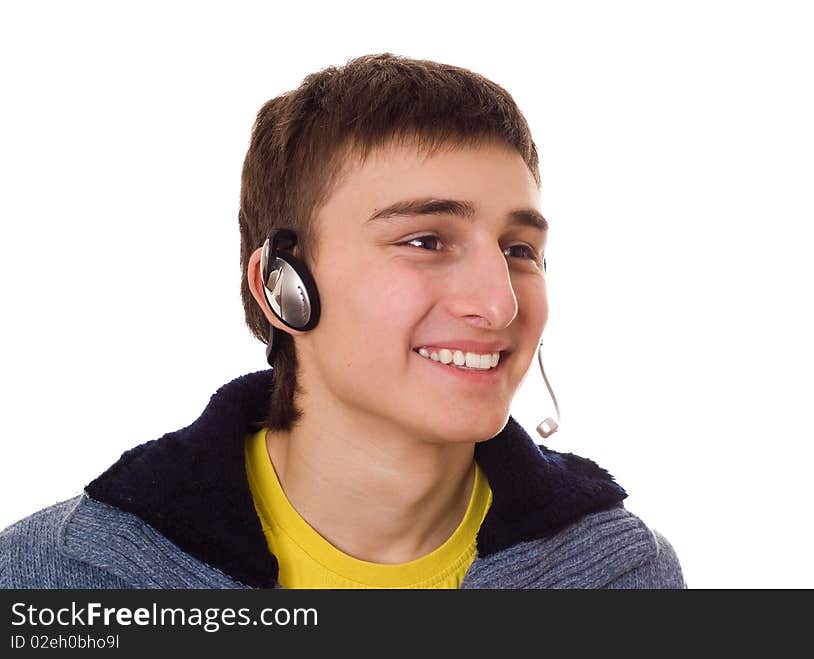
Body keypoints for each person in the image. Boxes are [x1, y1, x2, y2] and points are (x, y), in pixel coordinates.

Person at [0, 53, 685, 589]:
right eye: (426, 240)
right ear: (282, 286)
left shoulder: (625, 577)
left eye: (519, 250)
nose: (499, 303)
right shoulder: (52, 580)